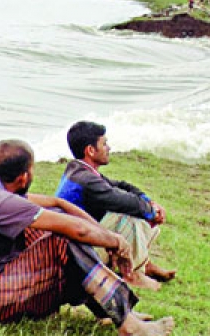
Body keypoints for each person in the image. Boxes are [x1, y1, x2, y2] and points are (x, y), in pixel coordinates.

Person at [0, 140, 175, 336]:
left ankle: (112, 311)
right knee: (62, 240)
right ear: (23, 176)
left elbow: (57, 204)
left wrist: (100, 232)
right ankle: (128, 325)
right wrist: (115, 241)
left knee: (59, 230)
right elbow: (78, 231)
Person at [56, 122, 176, 292]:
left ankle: (144, 263)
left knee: (137, 209)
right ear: (90, 150)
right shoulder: (86, 179)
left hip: (82, 239)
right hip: (78, 252)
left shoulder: (80, 170)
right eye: (104, 144)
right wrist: (150, 211)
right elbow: (122, 201)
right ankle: (132, 274)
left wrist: (148, 201)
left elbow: (121, 185)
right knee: (128, 217)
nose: (109, 148)